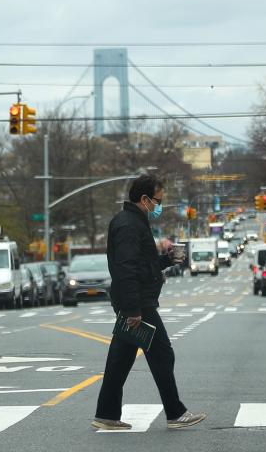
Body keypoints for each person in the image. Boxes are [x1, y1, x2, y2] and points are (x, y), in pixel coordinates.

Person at [93, 174, 206, 431]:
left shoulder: (133, 221)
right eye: (157, 201)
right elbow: (126, 268)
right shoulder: (129, 225)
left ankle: (106, 413)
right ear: (144, 199)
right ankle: (175, 413)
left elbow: (142, 264)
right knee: (162, 355)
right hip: (138, 304)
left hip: (135, 301)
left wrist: (166, 260)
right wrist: (133, 309)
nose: (159, 207)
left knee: (120, 360)